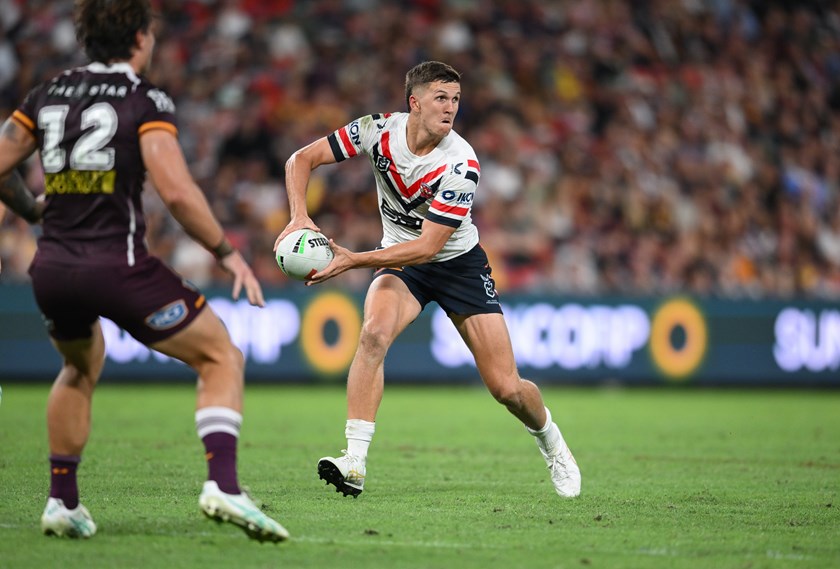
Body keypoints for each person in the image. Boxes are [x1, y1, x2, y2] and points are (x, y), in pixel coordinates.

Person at [0, 0, 288, 541]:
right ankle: (222, 485)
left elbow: (2, 165)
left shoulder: (47, 93)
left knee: (79, 367)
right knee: (220, 354)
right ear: (137, 37)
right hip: (118, 265)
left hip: (54, 267)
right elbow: (176, 191)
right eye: (150, 34)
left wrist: (32, 210)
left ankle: (62, 501)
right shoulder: (144, 97)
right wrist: (225, 251)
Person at [275, 61, 581, 499]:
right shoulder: (376, 131)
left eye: (456, 99)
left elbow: (429, 247)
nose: (451, 108)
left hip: (457, 265)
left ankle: (551, 440)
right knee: (373, 335)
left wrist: (354, 259)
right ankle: (355, 462)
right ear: (414, 102)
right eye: (441, 98)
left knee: (506, 387)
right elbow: (300, 159)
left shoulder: (461, 164)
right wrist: (299, 216)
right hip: (403, 265)